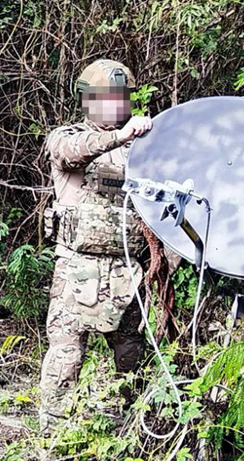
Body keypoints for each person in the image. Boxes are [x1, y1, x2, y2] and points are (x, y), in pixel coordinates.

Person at [39, 59, 156, 433]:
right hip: (77, 272)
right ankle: (54, 436)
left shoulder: (144, 146)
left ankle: (134, 431)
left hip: (128, 272)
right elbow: (72, 153)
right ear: (88, 100)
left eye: (122, 98)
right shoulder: (67, 137)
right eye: (107, 98)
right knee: (66, 357)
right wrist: (122, 137)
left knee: (133, 358)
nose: (117, 106)